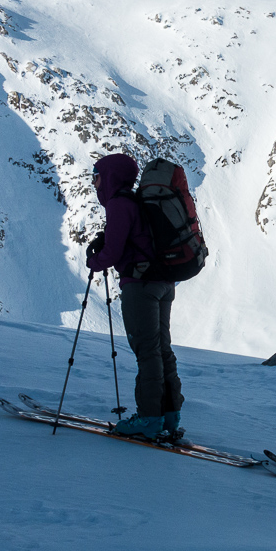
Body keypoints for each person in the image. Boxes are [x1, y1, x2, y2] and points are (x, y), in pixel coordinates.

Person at [86, 153, 185, 442]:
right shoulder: (141, 203)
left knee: (147, 350)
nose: (94, 182)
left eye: (97, 174)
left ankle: (149, 418)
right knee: (161, 348)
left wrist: (94, 261)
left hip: (140, 284)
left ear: (111, 175)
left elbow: (113, 252)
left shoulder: (119, 204)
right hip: (164, 282)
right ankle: (169, 414)